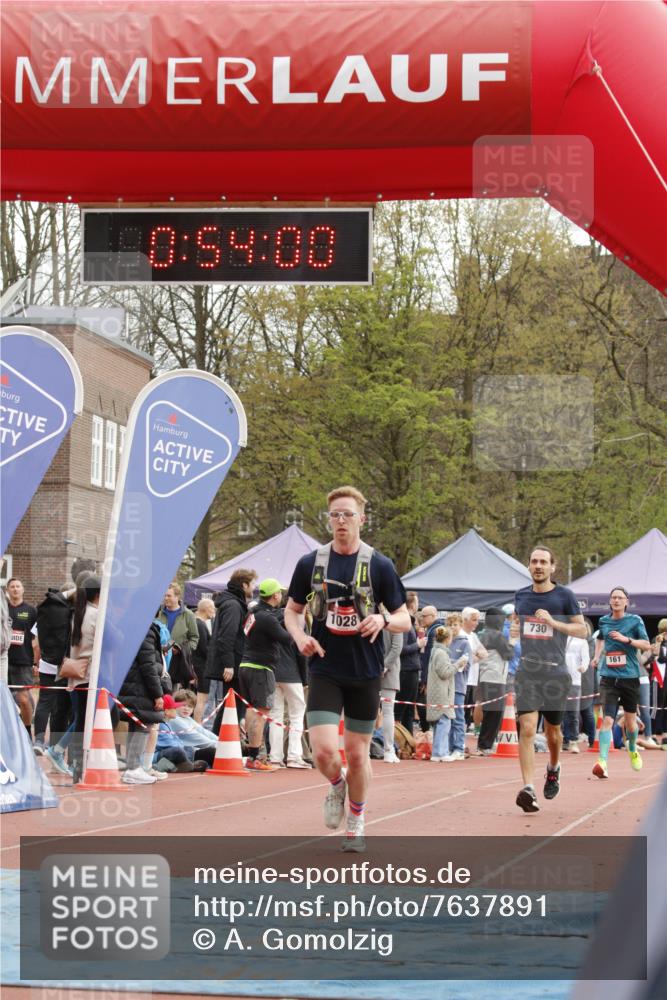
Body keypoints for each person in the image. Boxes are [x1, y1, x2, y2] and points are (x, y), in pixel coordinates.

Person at [284, 486, 410, 852]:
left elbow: (405, 617)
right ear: (329, 520)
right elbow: (291, 610)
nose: (341, 521)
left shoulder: (379, 565)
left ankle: (356, 820)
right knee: (324, 752)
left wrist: (382, 620)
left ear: (362, 519)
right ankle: (337, 786)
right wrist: (299, 637)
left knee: (357, 754)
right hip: (325, 668)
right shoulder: (311, 564)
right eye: (335, 515)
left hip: (365, 672)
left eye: (348, 514)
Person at [513, 546, 587, 813]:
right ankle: (528, 788)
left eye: (543, 562)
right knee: (527, 729)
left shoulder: (564, 596)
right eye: (534, 561)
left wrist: (554, 623)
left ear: (552, 567)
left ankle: (553, 768)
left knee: (553, 734)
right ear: (529, 565)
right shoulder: (521, 596)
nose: (538, 566)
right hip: (527, 671)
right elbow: (518, 623)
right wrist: (515, 629)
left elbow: (582, 630)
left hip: (555, 673)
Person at [590, 587, 651, 779]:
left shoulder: (635, 620)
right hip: (608, 677)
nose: (616, 600)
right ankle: (602, 762)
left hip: (629, 677)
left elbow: (646, 645)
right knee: (608, 719)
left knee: (631, 723)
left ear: (626, 602)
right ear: (610, 601)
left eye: (620, 598)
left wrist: (627, 640)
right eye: (613, 597)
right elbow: (600, 639)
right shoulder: (603, 621)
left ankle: (632, 748)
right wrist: (596, 656)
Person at [239, 578, 294, 771]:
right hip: (260, 668)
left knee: (252, 709)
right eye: (280, 592)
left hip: (246, 664)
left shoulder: (253, 612)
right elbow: (287, 639)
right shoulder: (267, 617)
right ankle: (254, 757)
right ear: (275, 595)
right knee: (261, 712)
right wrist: (292, 623)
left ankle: (251, 754)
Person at [204, 568, 257, 731]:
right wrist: (229, 664)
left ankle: (220, 740)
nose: (254, 587)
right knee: (232, 706)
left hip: (235, 661)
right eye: (253, 583)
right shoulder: (233, 605)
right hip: (232, 664)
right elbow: (227, 636)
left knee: (232, 705)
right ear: (244, 585)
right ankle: (217, 740)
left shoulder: (233, 603)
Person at [118, 621, 166, 784]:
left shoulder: (132, 626)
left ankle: (132, 767)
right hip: (140, 686)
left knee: (137, 725)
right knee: (143, 725)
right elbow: (148, 664)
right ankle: (133, 768)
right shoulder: (145, 630)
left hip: (133, 683)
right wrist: (157, 694)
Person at [67, 575, 102, 784]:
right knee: (94, 720)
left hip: (76, 674)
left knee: (80, 720)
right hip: (90, 674)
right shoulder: (96, 614)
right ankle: (85, 765)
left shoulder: (77, 613)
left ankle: (77, 767)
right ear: (98, 594)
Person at [269, 602, 310, 769]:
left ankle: (275, 757)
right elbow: (302, 653)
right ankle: (294, 756)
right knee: (297, 715)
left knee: (275, 716)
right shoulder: (298, 621)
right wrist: (305, 679)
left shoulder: (270, 618)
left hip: (272, 672)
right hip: (292, 674)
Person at [476, 608, 516, 756]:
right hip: (495, 677)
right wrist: (513, 641)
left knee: (489, 711)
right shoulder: (497, 635)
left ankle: (484, 743)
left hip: (485, 676)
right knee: (495, 712)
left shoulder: (483, 633)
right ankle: (485, 745)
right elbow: (509, 654)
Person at [5, 578, 37, 734]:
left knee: (23, 700)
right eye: (12, 586)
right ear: (7, 590)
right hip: (3, 660)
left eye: (18, 586)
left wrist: (36, 662)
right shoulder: (3, 609)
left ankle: (27, 731)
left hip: (23, 660)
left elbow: (36, 639)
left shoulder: (31, 611)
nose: (15, 589)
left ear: (23, 590)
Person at [426, 626, 460, 761]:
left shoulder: (436, 651)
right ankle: (440, 752)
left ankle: (439, 751)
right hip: (442, 693)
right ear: (448, 639)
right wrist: (458, 665)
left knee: (440, 723)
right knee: (444, 722)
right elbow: (444, 673)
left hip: (437, 691)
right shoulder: (441, 653)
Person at [158, 582, 199, 688]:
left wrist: (181, 649)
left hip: (178, 662)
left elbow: (194, 638)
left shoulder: (188, 615)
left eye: (169, 596)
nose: (166, 598)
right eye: (164, 595)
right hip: (159, 659)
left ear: (177, 597)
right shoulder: (158, 613)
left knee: (173, 691)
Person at [445, 612, 471, 760]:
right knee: (446, 718)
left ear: (460, 626)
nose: (452, 627)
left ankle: (459, 748)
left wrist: (452, 664)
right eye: (450, 625)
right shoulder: (445, 642)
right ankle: (448, 747)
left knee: (458, 718)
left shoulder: (465, 643)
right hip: (445, 686)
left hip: (458, 686)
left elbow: (466, 664)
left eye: (455, 624)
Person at [396, 593, 423, 733]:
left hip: (411, 669)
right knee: (400, 711)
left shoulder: (410, 622)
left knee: (409, 711)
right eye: (417, 602)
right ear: (412, 604)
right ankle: (397, 740)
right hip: (406, 671)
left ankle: (408, 741)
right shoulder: (405, 623)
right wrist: (418, 645)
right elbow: (401, 648)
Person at [562, 625, 591, 753]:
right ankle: (563, 740)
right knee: (560, 712)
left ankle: (573, 740)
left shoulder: (582, 642)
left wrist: (583, 667)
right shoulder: (562, 637)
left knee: (573, 712)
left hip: (575, 680)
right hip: (559, 679)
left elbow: (586, 658)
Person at [380, 615, 403, 763]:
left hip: (372, 669)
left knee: (370, 712)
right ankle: (388, 750)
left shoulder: (370, 616)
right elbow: (396, 648)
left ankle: (384, 749)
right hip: (388, 672)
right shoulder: (397, 621)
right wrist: (385, 666)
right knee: (388, 712)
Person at [192, 598, 215, 722]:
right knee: (202, 698)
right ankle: (197, 724)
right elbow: (204, 648)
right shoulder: (200, 624)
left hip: (199, 665)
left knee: (201, 698)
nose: (214, 611)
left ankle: (197, 723)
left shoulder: (197, 623)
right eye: (212, 608)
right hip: (201, 666)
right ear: (207, 608)